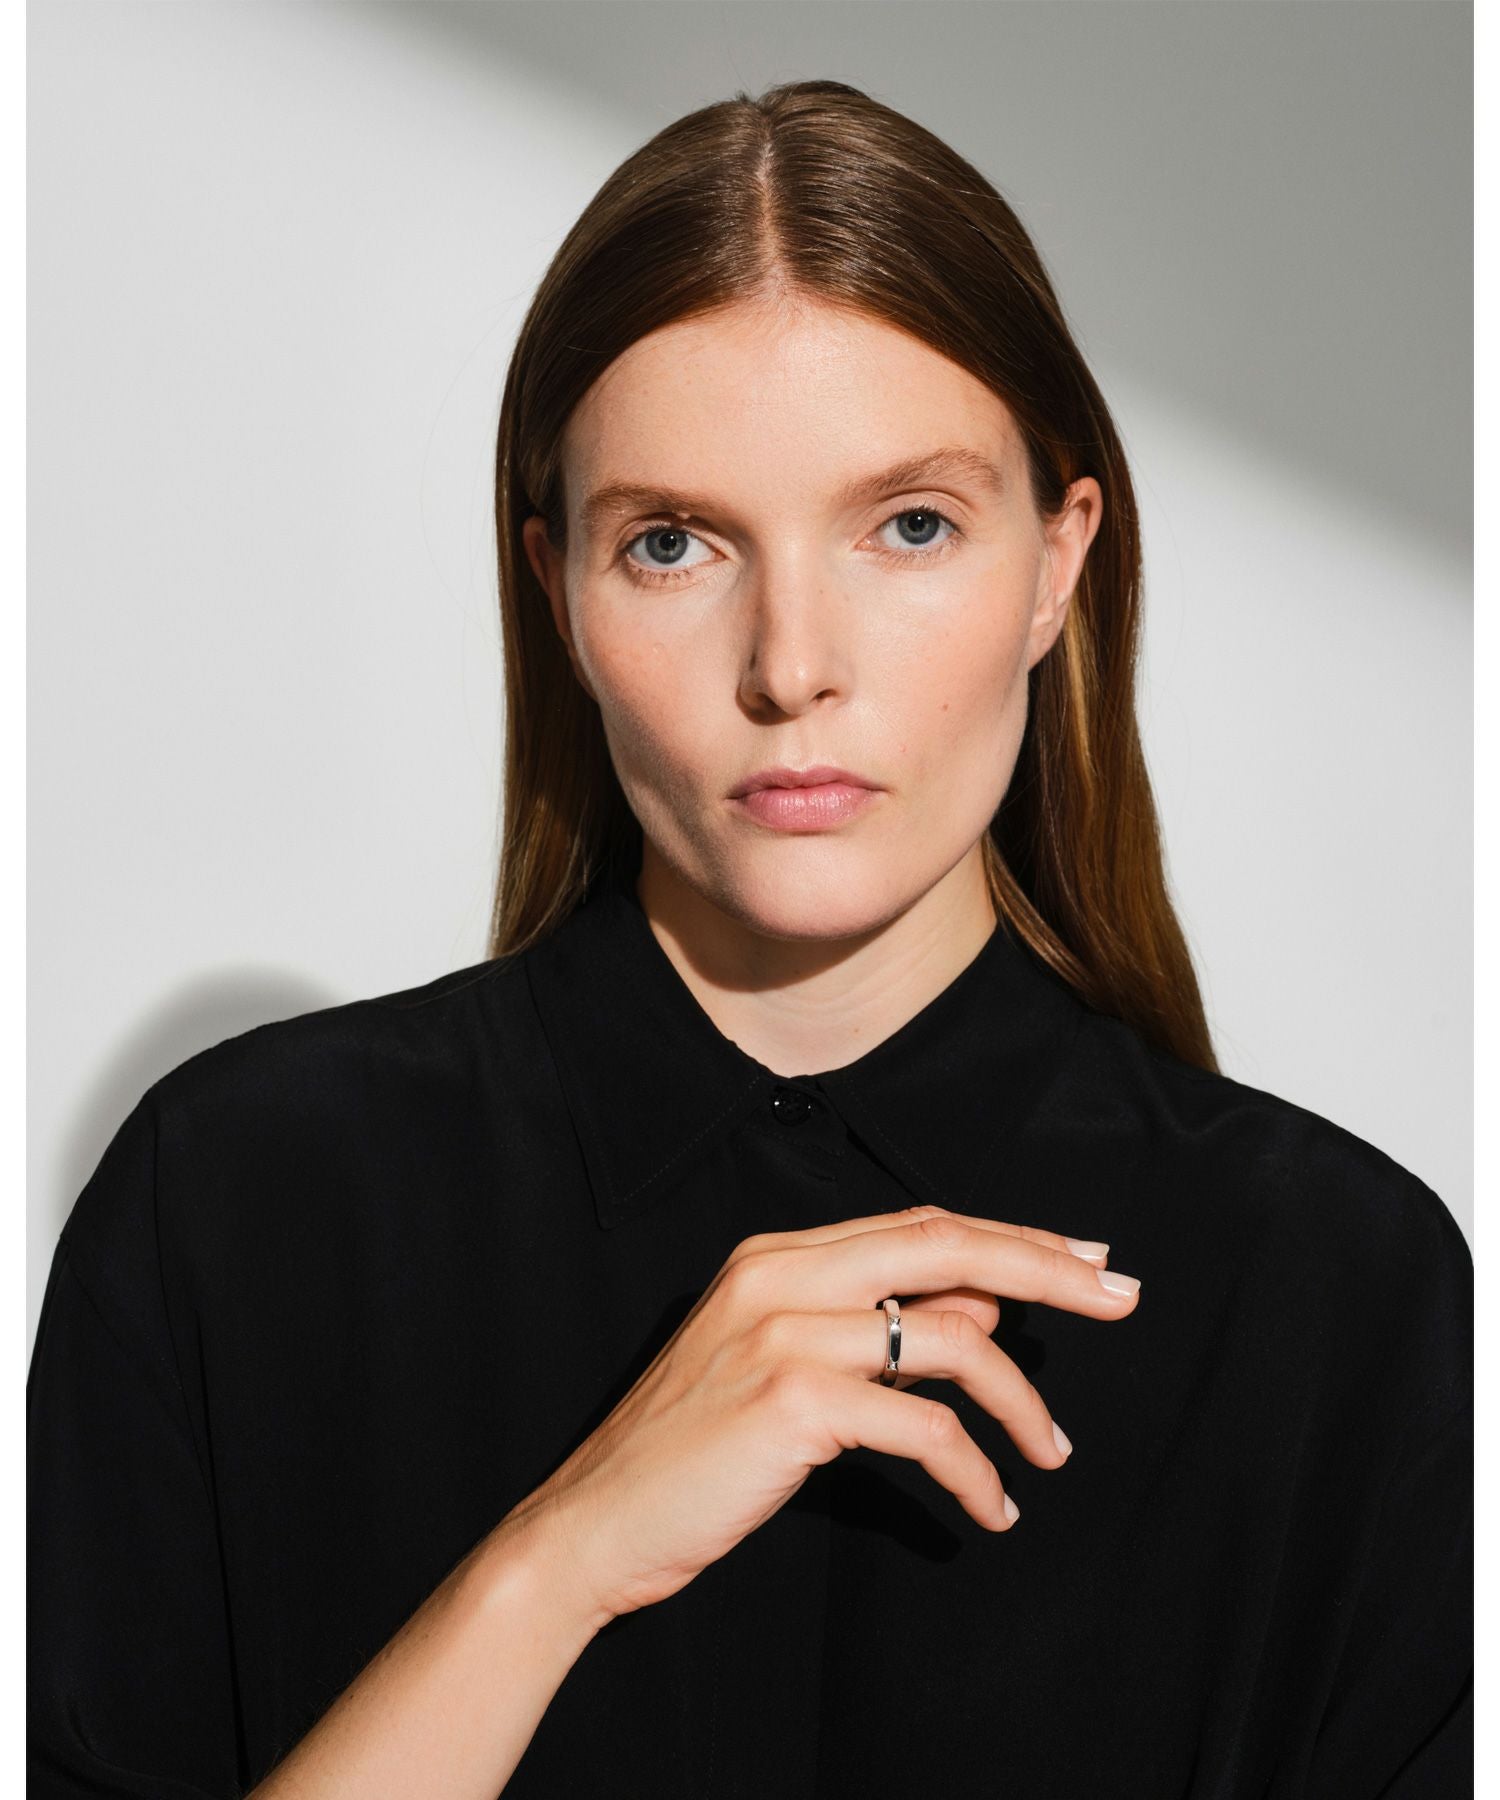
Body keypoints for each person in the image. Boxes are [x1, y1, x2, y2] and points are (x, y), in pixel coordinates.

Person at [28, 79, 1471, 1800]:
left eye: (910, 525)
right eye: (673, 545)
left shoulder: (1339, 1301)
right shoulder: (230, 1206)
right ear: (557, 591)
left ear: (1055, 565)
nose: (792, 666)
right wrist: (556, 1562)